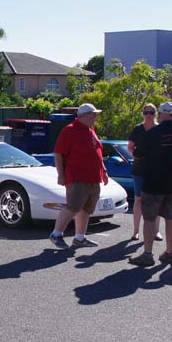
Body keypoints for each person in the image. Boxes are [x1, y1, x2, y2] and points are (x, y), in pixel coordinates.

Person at [129, 102, 172, 267]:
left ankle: (148, 254)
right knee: (171, 218)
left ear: (160, 114)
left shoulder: (152, 133)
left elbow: (137, 153)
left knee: (149, 219)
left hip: (153, 182)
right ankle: (169, 252)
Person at [48, 103, 109, 250]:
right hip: (77, 177)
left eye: (95, 114)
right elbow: (58, 153)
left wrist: (104, 171)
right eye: (93, 114)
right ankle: (56, 234)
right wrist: (61, 175)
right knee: (73, 207)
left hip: (93, 178)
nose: (95, 117)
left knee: (86, 208)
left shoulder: (90, 130)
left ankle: (80, 238)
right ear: (84, 116)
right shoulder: (70, 130)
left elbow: (97, 152)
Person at [127, 103, 163, 242]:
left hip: (156, 170)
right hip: (139, 169)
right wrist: (137, 155)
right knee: (138, 199)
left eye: (151, 112)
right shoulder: (138, 129)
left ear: (156, 114)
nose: (148, 115)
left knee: (156, 200)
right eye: (146, 112)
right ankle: (136, 231)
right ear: (143, 114)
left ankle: (156, 231)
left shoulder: (160, 129)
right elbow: (130, 147)